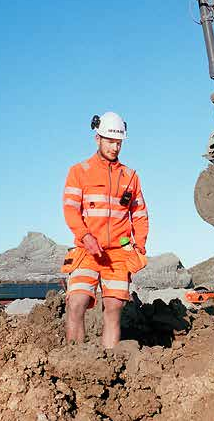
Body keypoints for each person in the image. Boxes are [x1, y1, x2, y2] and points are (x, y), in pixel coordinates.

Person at [61, 111, 149, 348]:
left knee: (113, 308)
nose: (115, 147)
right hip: (87, 251)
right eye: (110, 141)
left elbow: (140, 215)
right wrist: (85, 235)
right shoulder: (79, 172)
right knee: (76, 302)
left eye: (119, 143)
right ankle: (74, 360)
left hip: (118, 256)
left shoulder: (130, 177)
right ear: (97, 139)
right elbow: (70, 209)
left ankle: (108, 365)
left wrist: (139, 246)